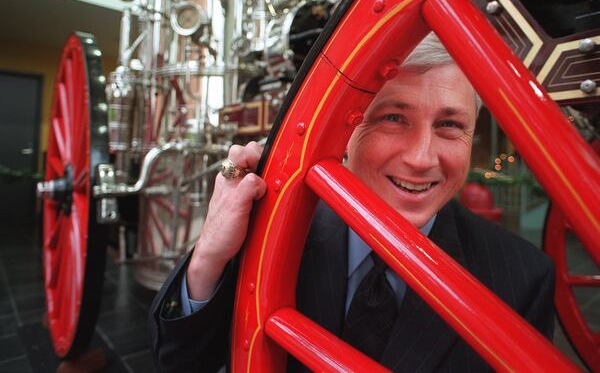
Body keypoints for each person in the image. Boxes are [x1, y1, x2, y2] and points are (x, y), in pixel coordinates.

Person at [148, 34, 555, 372]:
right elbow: (179, 363)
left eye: (449, 125)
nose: (421, 158)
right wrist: (207, 258)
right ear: (347, 127)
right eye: (393, 117)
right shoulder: (270, 230)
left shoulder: (521, 279)